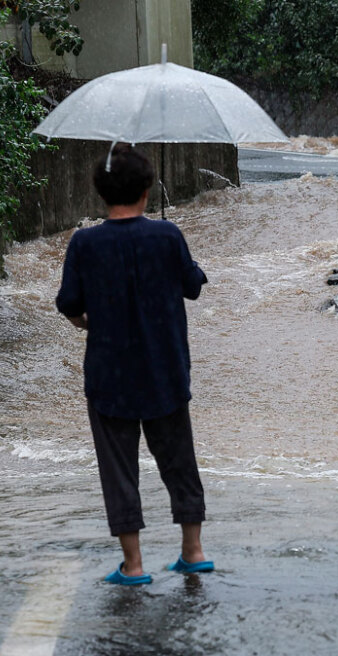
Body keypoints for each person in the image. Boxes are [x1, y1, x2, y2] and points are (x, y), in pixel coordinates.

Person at [55, 144, 213, 585]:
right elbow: (193, 286)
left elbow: (69, 304)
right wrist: (186, 259)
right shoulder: (167, 235)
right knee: (179, 460)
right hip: (165, 371)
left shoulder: (85, 242)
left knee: (119, 468)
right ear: (147, 191)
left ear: (100, 193)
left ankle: (134, 564)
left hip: (109, 376)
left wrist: (88, 323)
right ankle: (193, 549)